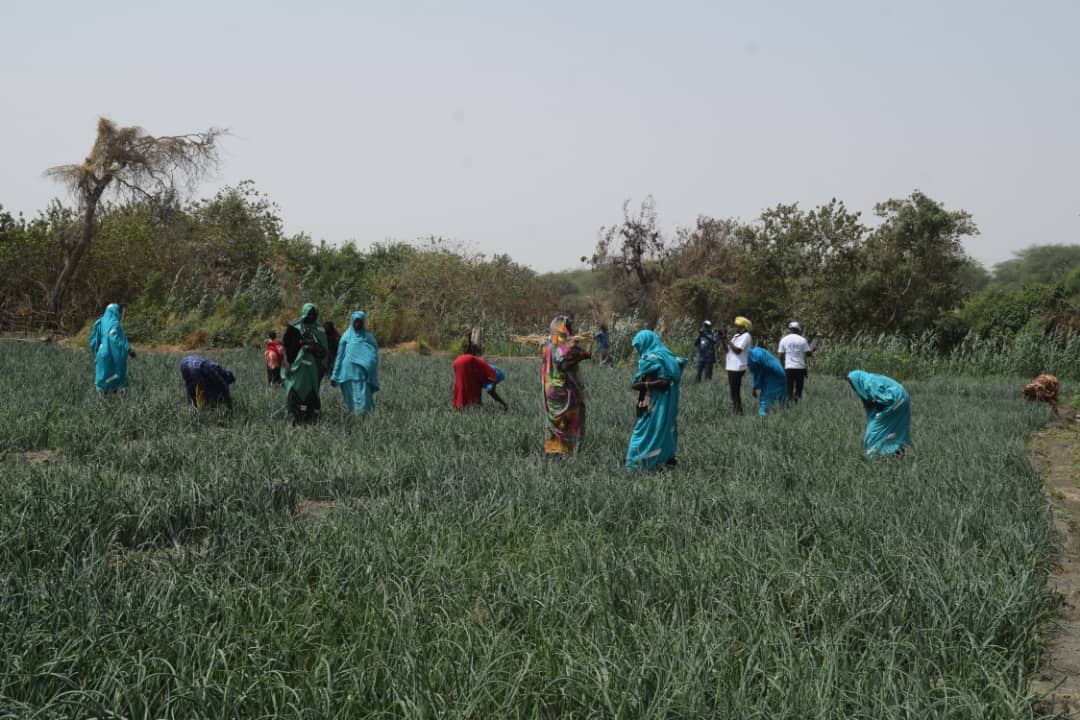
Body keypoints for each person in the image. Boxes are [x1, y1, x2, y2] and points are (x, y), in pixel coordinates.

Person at [626, 330, 687, 470]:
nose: (638, 350)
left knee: (643, 432)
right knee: (663, 429)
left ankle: (635, 464)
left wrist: (644, 385)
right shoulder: (667, 356)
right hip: (670, 401)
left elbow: (660, 382)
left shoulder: (650, 358)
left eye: (638, 346)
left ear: (645, 342)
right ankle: (664, 461)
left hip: (656, 401)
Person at [542, 314, 590, 456]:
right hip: (564, 390)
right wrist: (581, 355)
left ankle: (553, 453)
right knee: (568, 422)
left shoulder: (549, 343)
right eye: (569, 327)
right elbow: (563, 364)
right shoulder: (562, 344)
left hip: (550, 390)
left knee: (555, 422)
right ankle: (568, 455)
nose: (571, 330)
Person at [282, 302, 329, 425]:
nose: (311, 317)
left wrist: (313, 347)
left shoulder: (319, 329)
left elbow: (324, 351)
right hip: (297, 368)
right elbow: (286, 347)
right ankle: (293, 419)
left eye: (314, 314)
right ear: (304, 313)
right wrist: (287, 364)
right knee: (295, 391)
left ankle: (311, 420)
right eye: (309, 314)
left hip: (312, 369)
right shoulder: (294, 327)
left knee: (311, 393)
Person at [847, 370, 912, 457]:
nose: (852, 386)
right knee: (893, 429)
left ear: (856, 380)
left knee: (876, 429)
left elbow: (885, 399)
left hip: (897, 400)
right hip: (901, 399)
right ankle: (895, 452)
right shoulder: (868, 381)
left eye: (851, 383)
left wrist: (875, 405)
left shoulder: (869, 382)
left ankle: (877, 455)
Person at [330, 310, 379, 415]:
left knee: (365, 402)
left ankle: (366, 425)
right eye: (355, 321)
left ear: (363, 322)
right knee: (350, 402)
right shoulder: (346, 337)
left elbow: (374, 356)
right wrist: (334, 375)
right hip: (348, 375)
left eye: (360, 321)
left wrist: (368, 365)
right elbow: (339, 356)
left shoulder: (369, 338)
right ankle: (352, 424)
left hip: (363, 375)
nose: (358, 324)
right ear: (352, 322)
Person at [88, 303, 134, 394]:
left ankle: (103, 398)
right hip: (110, 355)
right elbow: (114, 339)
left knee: (102, 378)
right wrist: (128, 349)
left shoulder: (100, 322)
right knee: (117, 374)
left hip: (101, 355)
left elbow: (93, 340)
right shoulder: (114, 324)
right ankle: (116, 396)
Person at [452, 339, 506, 410]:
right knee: (467, 387)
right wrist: (504, 404)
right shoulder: (494, 377)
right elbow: (491, 392)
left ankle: (460, 406)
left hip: (457, 361)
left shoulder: (482, 372)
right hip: (467, 361)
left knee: (461, 384)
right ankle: (470, 406)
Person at [720, 316, 753, 414]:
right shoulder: (736, 336)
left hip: (738, 366)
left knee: (735, 390)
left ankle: (738, 412)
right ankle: (737, 410)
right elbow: (727, 350)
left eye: (738, 326)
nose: (736, 328)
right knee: (733, 391)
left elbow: (738, 350)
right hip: (731, 366)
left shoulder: (746, 336)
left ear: (744, 327)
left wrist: (728, 340)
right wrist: (723, 340)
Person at [777, 321, 813, 402]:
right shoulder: (803, 340)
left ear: (790, 329)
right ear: (799, 330)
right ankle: (797, 403)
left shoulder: (784, 340)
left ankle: (789, 404)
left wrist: (782, 366)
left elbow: (780, 355)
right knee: (799, 388)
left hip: (788, 367)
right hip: (800, 368)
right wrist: (812, 351)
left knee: (789, 388)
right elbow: (808, 354)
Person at [747, 347, 786, 416]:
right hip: (782, 376)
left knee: (765, 402)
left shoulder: (752, 357)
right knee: (781, 403)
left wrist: (754, 387)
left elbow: (757, 373)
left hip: (774, 377)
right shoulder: (756, 351)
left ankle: (762, 421)